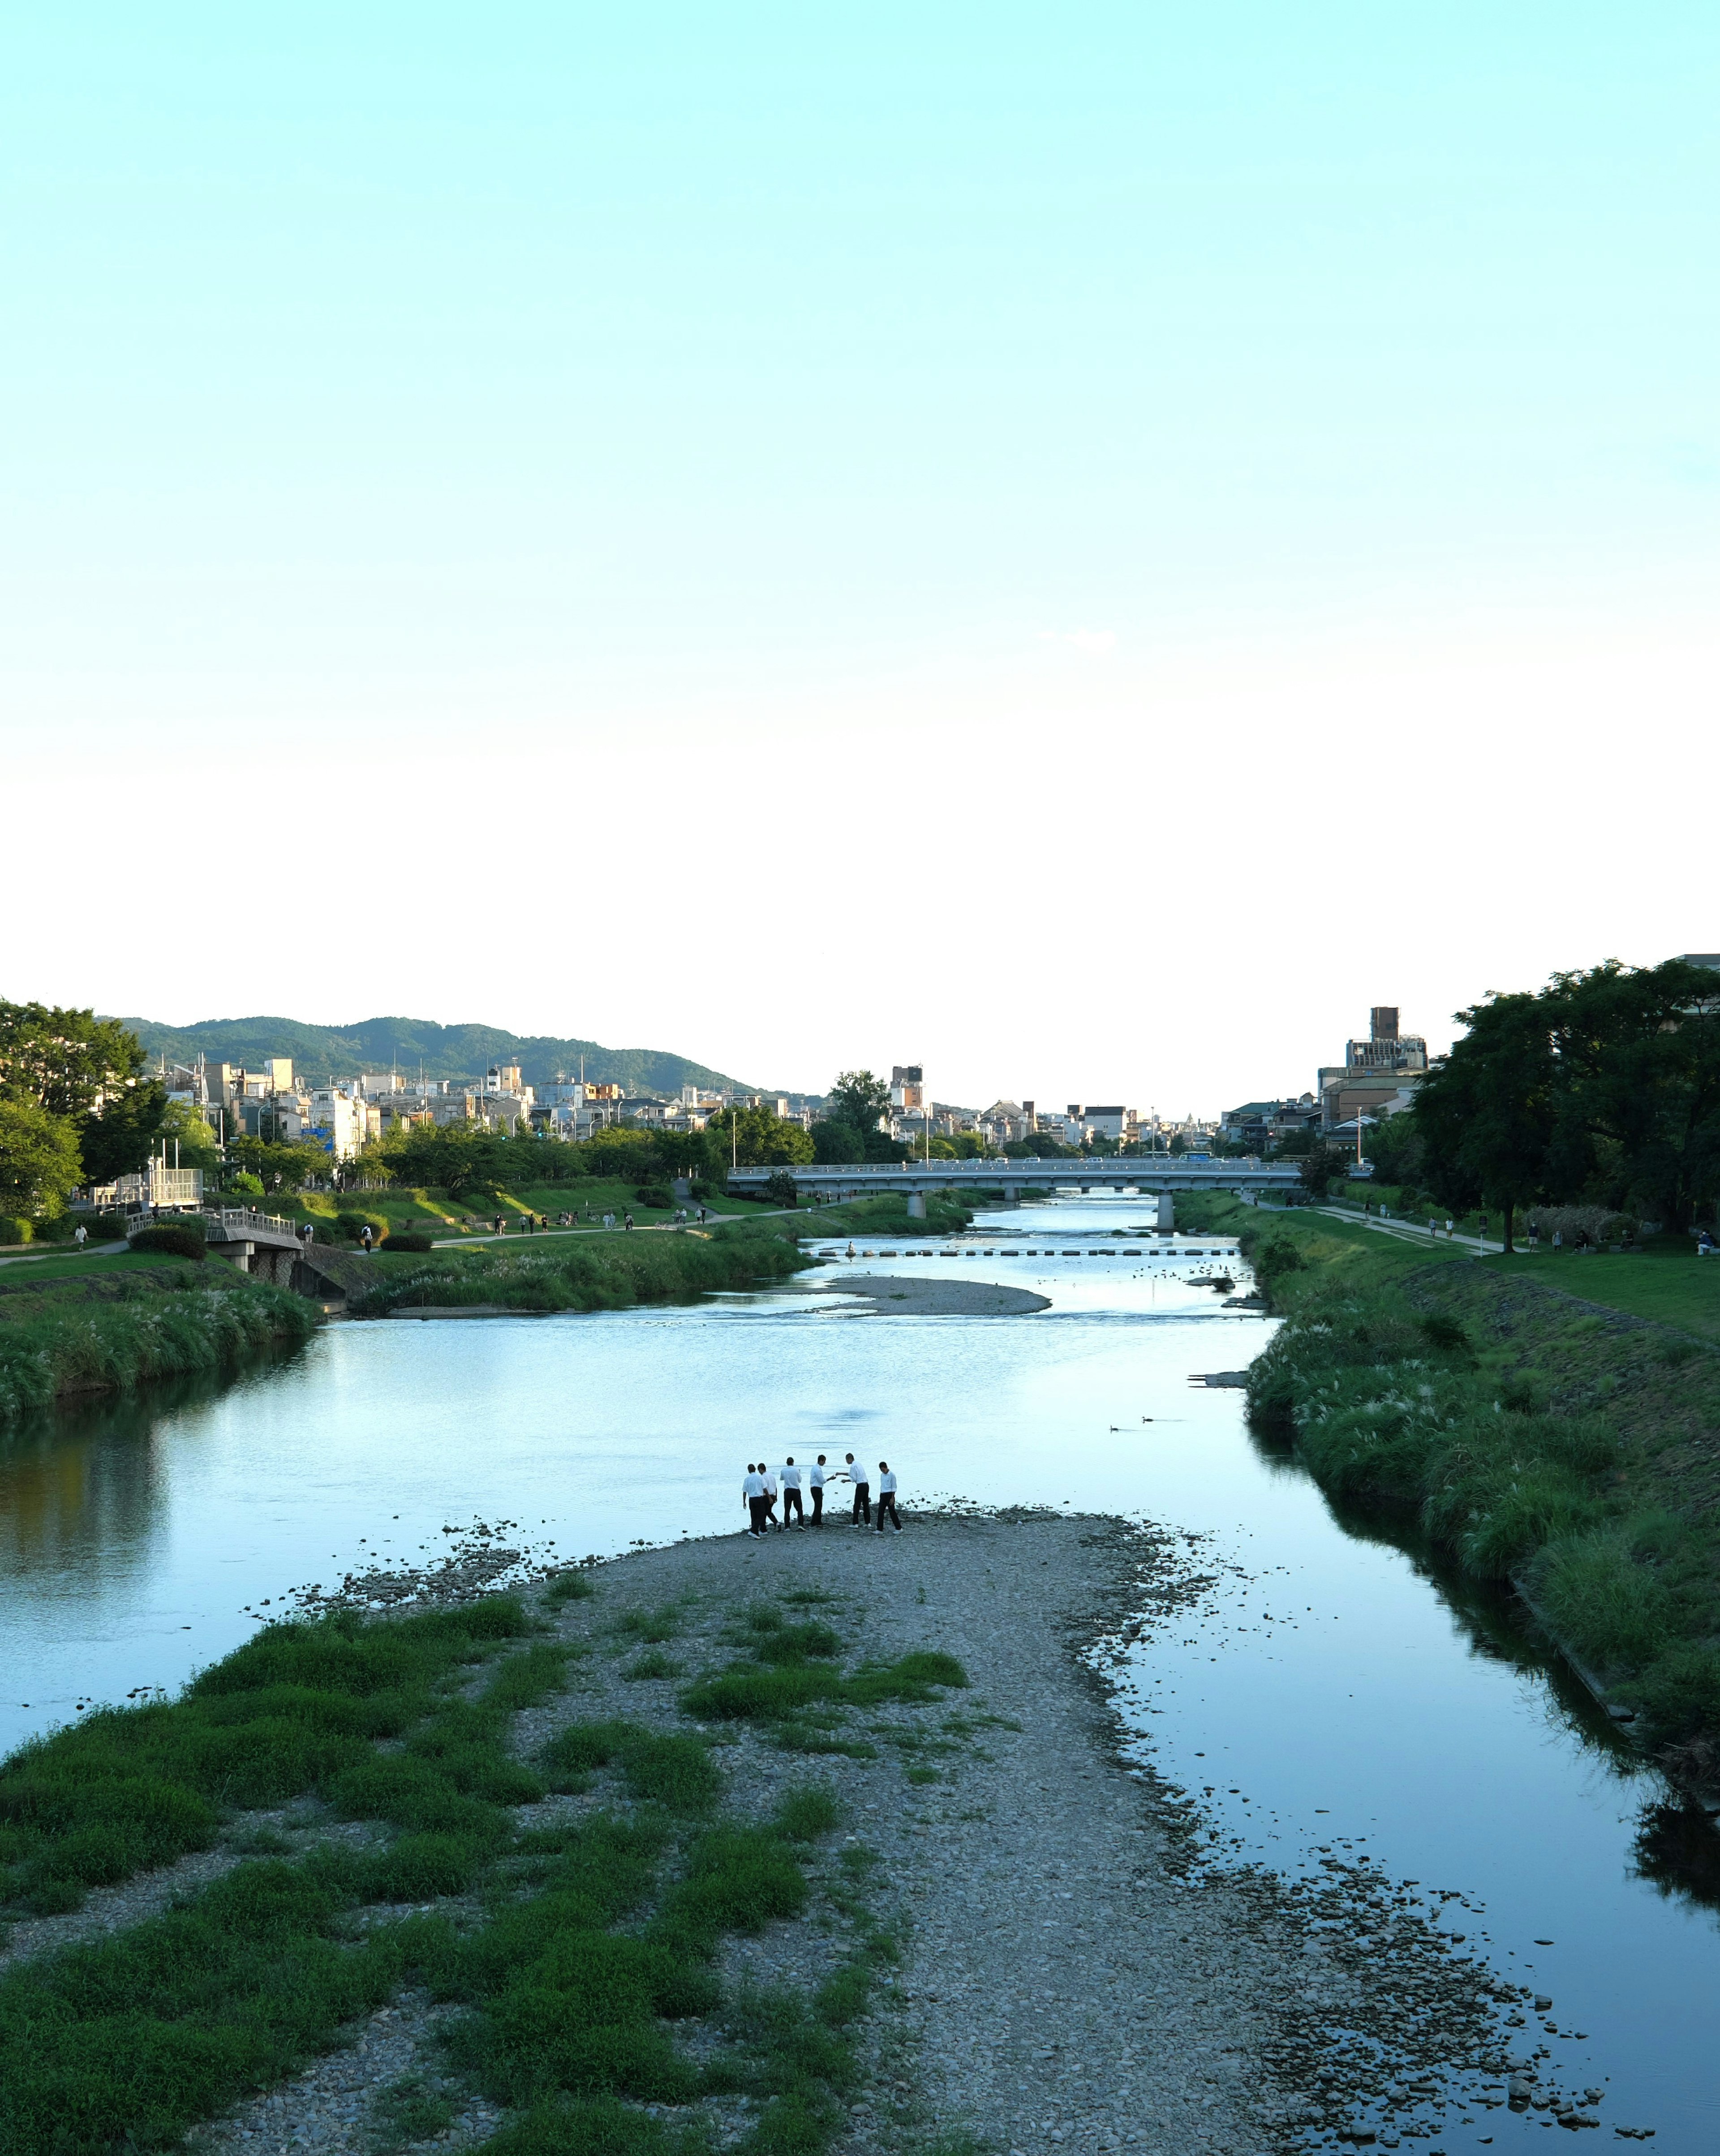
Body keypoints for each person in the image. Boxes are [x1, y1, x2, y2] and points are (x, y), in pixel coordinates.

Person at [743, 1463, 768, 1539]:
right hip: (759, 1498)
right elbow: (764, 1488)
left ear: (749, 1471)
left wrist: (744, 1502)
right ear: (755, 1469)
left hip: (751, 1499)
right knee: (761, 1515)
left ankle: (755, 1532)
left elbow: (745, 1491)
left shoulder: (747, 1479)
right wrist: (769, 1497)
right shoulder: (760, 1477)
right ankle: (753, 1531)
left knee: (753, 1516)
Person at [845, 1452, 871, 1527]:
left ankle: (855, 1523)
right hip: (866, 1485)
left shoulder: (853, 1466)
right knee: (866, 1505)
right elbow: (851, 1474)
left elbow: (853, 1478)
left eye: (847, 1460)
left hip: (860, 1486)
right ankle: (868, 1523)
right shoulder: (858, 1464)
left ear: (850, 1459)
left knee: (857, 1505)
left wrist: (845, 1481)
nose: (846, 1461)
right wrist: (841, 1473)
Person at [875, 1461, 902, 1533]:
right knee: (880, 1512)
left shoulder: (892, 1475)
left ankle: (899, 1528)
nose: (883, 1471)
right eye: (881, 1470)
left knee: (892, 1512)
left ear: (886, 1468)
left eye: (883, 1470)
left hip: (890, 1495)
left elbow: (894, 1487)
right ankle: (879, 1529)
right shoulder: (882, 1475)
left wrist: (892, 1498)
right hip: (883, 1494)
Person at [761, 1460, 780, 1529]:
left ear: (761, 1469)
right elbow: (775, 1486)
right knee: (768, 1511)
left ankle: (764, 1528)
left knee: (765, 1512)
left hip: (767, 1496)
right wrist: (776, 1496)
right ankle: (776, 1523)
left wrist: (769, 1498)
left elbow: (764, 1488)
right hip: (774, 1495)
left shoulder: (763, 1477)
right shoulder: (772, 1476)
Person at [809, 1455, 827, 1526]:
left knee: (818, 1505)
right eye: (824, 1461)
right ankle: (815, 1522)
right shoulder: (817, 1469)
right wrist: (830, 1479)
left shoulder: (815, 1468)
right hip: (816, 1489)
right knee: (818, 1505)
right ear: (821, 1461)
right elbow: (822, 1480)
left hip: (815, 1488)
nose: (824, 1463)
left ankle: (818, 1521)